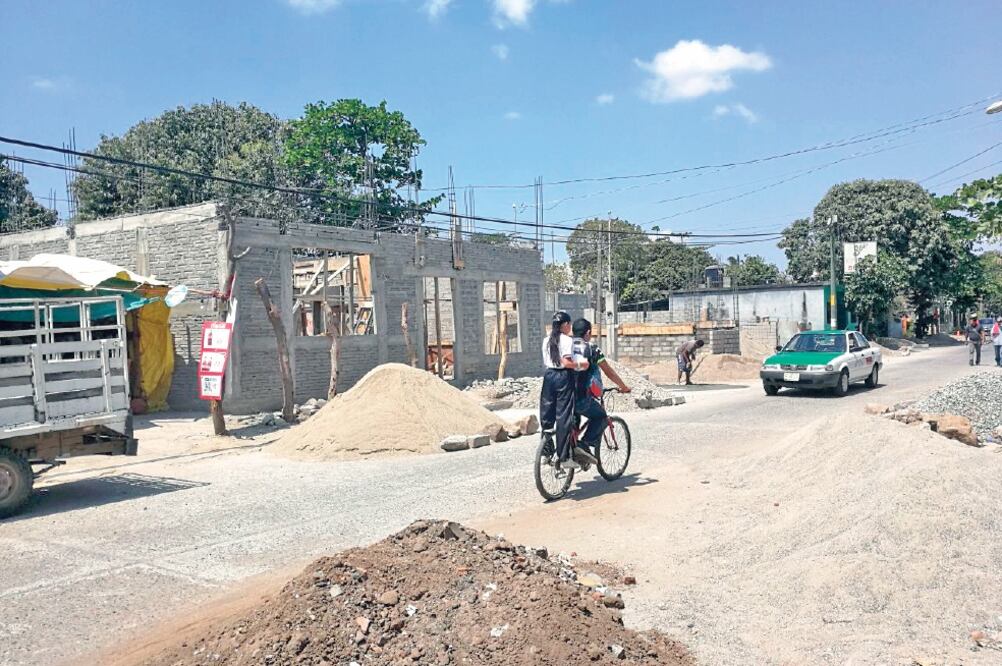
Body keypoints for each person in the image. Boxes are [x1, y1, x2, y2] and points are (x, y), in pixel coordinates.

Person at [569, 318, 631, 466]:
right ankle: (584, 445)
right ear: (588, 333)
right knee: (601, 416)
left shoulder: (565, 346)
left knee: (573, 422)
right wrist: (623, 387)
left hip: (562, 396)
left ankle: (569, 450)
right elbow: (609, 372)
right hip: (581, 397)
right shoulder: (592, 349)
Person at [539, 311, 586, 471]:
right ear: (565, 325)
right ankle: (564, 456)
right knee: (563, 415)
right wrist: (581, 365)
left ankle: (546, 451)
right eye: (569, 324)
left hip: (549, 376)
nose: (570, 327)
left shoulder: (546, 340)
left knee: (547, 414)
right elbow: (566, 363)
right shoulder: (566, 340)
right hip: (563, 377)